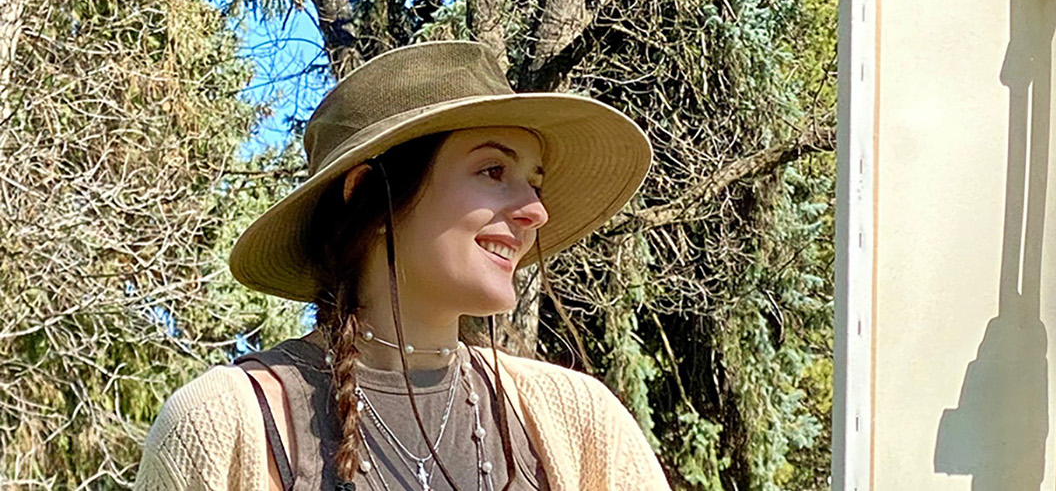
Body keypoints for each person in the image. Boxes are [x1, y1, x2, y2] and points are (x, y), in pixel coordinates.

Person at [134, 41, 670, 491]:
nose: (535, 211)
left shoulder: (580, 426)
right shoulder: (228, 425)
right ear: (369, 195)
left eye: (534, 180)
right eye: (491, 170)